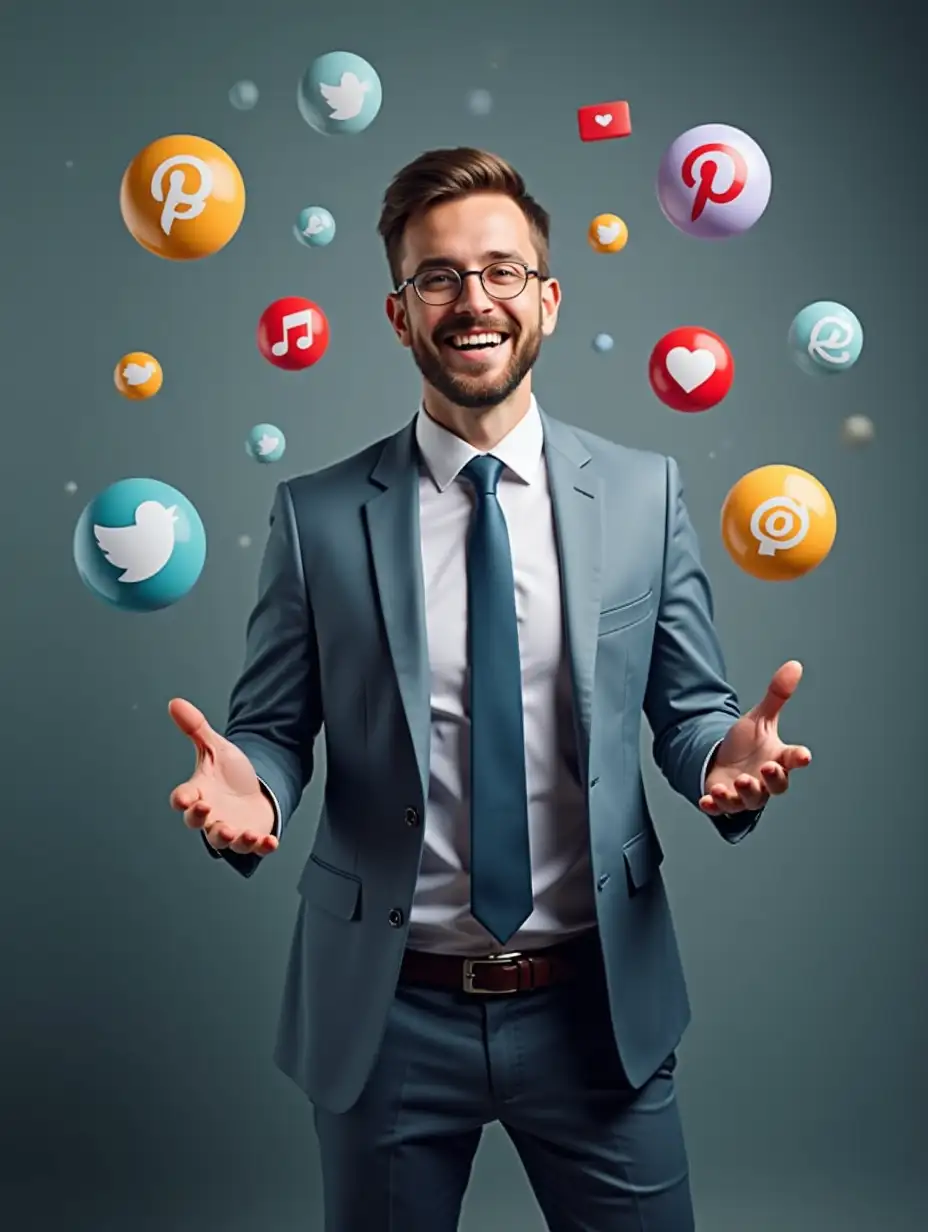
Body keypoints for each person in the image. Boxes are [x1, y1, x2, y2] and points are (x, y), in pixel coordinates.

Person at [168, 147, 812, 1232]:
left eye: (503, 271)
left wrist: (719, 758)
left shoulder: (645, 494)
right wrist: (253, 794)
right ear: (397, 311)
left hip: (597, 1005)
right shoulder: (316, 516)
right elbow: (270, 732)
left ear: (547, 301)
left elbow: (686, 707)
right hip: (386, 1013)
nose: (473, 299)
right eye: (439, 276)